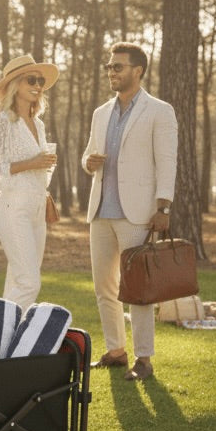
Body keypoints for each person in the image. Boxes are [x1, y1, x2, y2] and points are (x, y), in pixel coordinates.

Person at [81, 41, 177, 381]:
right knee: (104, 288)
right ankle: (116, 351)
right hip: (100, 212)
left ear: (137, 70)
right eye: (109, 66)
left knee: (138, 290)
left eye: (118, 66)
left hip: (138, 215)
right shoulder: (101, 113)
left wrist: (163, 205)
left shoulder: (159, 111)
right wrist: (88, 162)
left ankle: (144, 359)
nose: (111, 71)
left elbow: (167, 161)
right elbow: (90, 156)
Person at [0, 54, 60, 311]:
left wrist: (43, 179)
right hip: (13, 209)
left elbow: (39, 169)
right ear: (15, 84)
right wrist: (32, 163)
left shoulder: (38, 123)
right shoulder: (3, 121)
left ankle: (7, 347)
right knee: (29, 284)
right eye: (31, 80)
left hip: (36, 208)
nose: (37, 85)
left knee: (17, 281)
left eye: (40, 81)